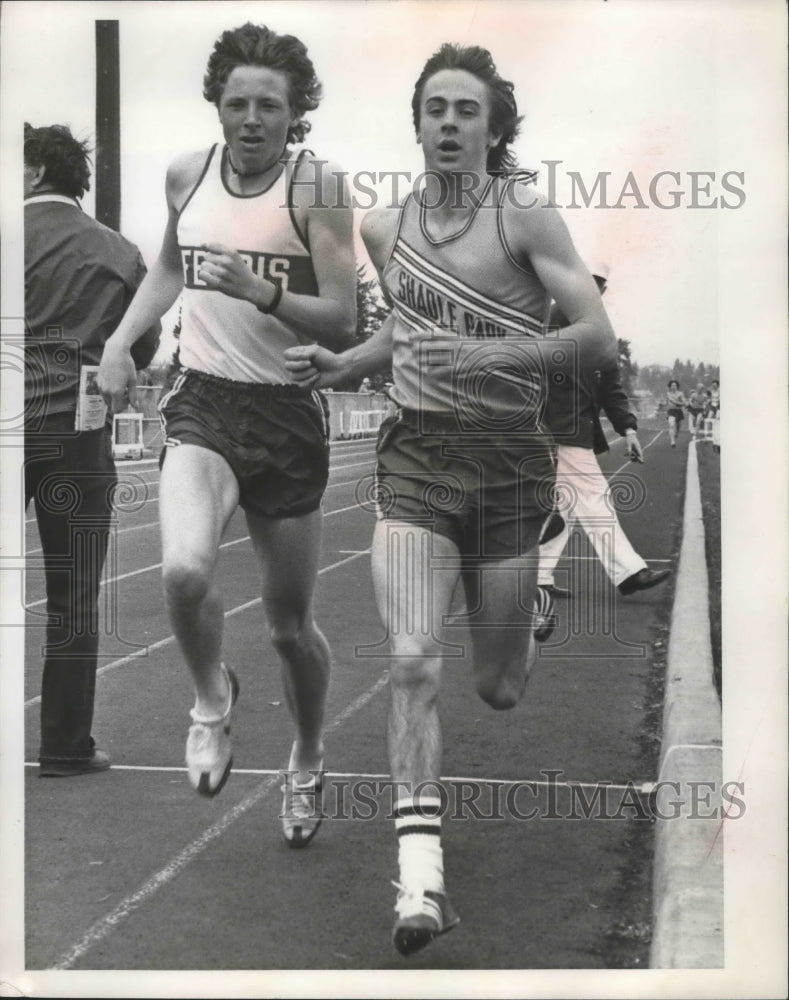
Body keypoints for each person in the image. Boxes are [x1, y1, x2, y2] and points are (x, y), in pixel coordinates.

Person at [285, 43, 618, 955]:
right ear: (417, 120)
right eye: (434, 107)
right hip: (418, 461)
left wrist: (498, 356)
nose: (447, 124)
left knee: (498, 686)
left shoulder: (527, 218)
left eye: (466, 110)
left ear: (494, 125)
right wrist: (348, 361)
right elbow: (402, 324)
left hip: (511, 464)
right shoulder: (386, 227)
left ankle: (536, 586)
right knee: (410, 663)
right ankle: (421, 883)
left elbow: (595, 335)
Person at [97, 23, 356, 846]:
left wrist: (264, 293)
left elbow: (345, 320)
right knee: (180, 571)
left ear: (294, 114)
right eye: (237, 102)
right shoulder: (187, 173)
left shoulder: (318, 190)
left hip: (284, 412)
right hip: (201, 397)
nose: (251, 119)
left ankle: (308, 758)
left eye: (268, 106)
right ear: (217, 103)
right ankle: (212, 699)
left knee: (288, 627)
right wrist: (115, 341)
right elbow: (170, 267)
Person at [24, 123, 161, 776]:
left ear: (30, 172)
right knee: (73, 594)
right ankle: (64, 746)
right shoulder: (120, 252)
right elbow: (141, 347)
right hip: (76, 432)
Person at [537, 264, 671, 599]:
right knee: (595, 498)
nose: (591, 290)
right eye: (586, 283)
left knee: (567, 504)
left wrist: (628, 428)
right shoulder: (547, 321)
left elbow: (612, 387)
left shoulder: (599, 331)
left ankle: (538, 575)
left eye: (598, 286)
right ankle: (629, 572)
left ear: (603, 291)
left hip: (577, 429)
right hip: (556, 430)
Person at [666, 379, 686, 447]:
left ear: (677, 386)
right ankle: (672, 441)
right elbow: (668, 402)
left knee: (678, 425)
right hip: (671, 410)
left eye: (675, 385)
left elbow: (684, 403)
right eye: (672, 385)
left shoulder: (680, 393)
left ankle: (677, 432)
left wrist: (677, 403)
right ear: (670, 387)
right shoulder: (668, 394)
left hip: (678, 411)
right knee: (671, 424)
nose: (673, 386)